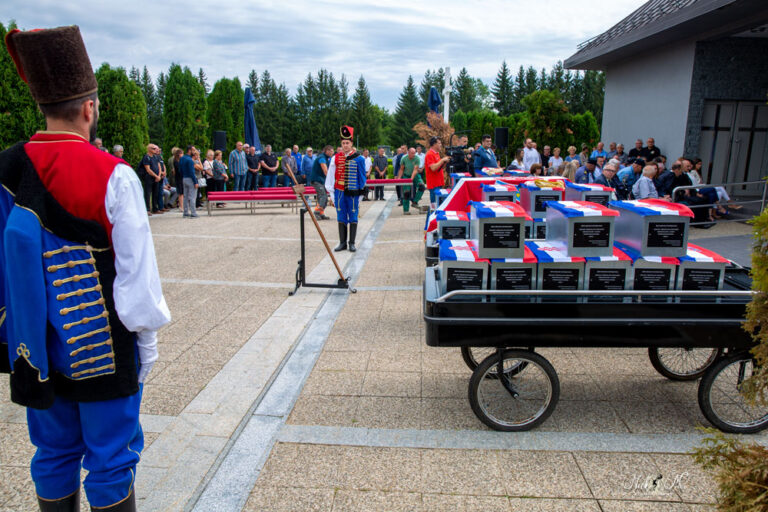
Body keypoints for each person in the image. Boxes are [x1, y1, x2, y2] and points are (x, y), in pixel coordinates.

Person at [0, 25, 171, 511]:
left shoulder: (5, 168)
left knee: (52, 453)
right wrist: (147, 339)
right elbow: (137, 272)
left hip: (32, 344)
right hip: (104, 345)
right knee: (112, 457)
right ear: (89, 108)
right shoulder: (114, 175)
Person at [325, 126, 366, 252]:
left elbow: (362, 178)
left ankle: (352, 243)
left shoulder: (359, 158)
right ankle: (342, 243)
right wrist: (331, 193)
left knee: (353, 216)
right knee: (341, 216)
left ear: (351, 143)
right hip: (339, 192)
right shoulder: (335, 158)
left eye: (347, 143)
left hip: (353, 193)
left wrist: (360, 195)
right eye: (343, 143)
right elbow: (331, 176)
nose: (345, 145)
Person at [425, 136, 450, 209]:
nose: (441, 144)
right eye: (439, 143)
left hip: (438, 183)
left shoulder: (436, 154)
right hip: (433, 184)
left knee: (438, 205)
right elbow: (433, 168)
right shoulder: (429, 154)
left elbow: (438, 167)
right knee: (434, 206)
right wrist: (442, 160)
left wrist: (444, 163)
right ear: (434, 144)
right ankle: (431, 219)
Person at [310, 145, 333, 220]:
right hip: (316, 180)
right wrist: (331, 179)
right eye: (331, 151)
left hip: (321, 180)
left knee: (324, 198)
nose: (333, 152)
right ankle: (317, 212)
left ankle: (321, 213)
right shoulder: (322, 158)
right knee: (323, 196)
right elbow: (325, 170)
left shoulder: (326, 158)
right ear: (327, 151)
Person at [397, 147, 422, 215]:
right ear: (408, 153)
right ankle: (406, 210)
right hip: (406, 175)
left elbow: (415, 170)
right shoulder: (404, 158)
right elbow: (402, 169)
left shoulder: (417, 158)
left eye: (414, 153)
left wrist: (411, 179)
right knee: (406, 193)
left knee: (421, 186)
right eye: (412, 153)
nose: (413, 154)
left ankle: (415, 201)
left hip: (415, 175)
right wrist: (399, 178)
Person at [140, 144, 160, 215]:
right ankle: (147, 209)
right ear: (149, 149)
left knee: (156, 193)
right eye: (153, 148)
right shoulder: (146, 157)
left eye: (155, 148)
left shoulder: (155, 157)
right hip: (149, 177)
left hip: (156, 177)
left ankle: (155, 208)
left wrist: (159, 175)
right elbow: (148, 169)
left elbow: (159, 166)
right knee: (148, 193)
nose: (155, 150)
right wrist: (156, 176)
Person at [180, 145, 200, 217]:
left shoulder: (182, 158)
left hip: (184, 178)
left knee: (185, 196)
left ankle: (185, 212)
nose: (194, 152)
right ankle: (193, 212)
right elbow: (192, 172)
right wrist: (195, 182)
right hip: (191, 179)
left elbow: (180, 170)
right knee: (192, 197)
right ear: (189, 150)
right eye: (193, 150)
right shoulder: (190, 160)